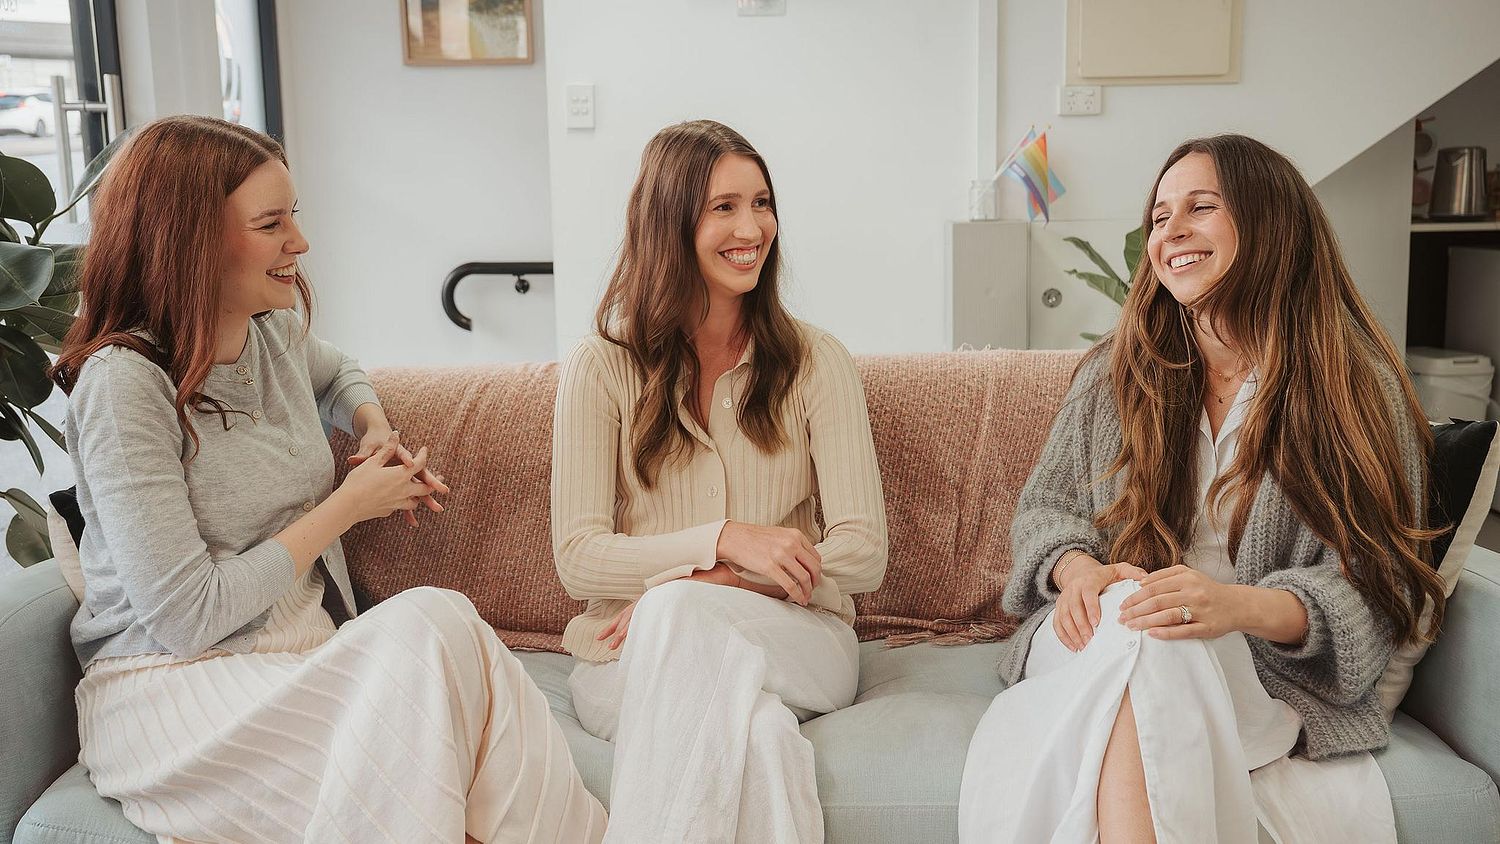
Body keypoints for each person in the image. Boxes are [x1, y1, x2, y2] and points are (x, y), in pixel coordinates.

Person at [53, 115, 605, 843]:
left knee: (453, 660)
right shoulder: (125, 387)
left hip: (301, 668)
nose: (300, 243)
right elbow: (185, 619)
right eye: (272, 222)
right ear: (191, 239)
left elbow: (340, 370)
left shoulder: (269, 333)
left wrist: (372, 422)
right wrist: (349, 505)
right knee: (435, 624)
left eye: (295, 216)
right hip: (174, 695)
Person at [958, 134, 1444, 843]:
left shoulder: (1352, 386)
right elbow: (1046, 510)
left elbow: (1376, 587)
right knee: (1142, 620)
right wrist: (1080, 571)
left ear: (1269, 222)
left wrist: (1231, 606)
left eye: (1200, 207)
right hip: (1095, 636)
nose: (1170, 232)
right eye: (1159, 216)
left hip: (1253, 665)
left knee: (1161, 640)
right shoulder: (1115, 371)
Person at [550, 119, 888, 843]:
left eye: (762, 202)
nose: (753, 227)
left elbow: (863, 552)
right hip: (623, 652)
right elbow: (577, 555)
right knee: (758, 735)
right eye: (724, 207)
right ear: (669, 224)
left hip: (796, 639)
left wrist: (717, 584)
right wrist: (727, 541)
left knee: (676, 612)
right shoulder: (603, 365)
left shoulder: (815, 361)